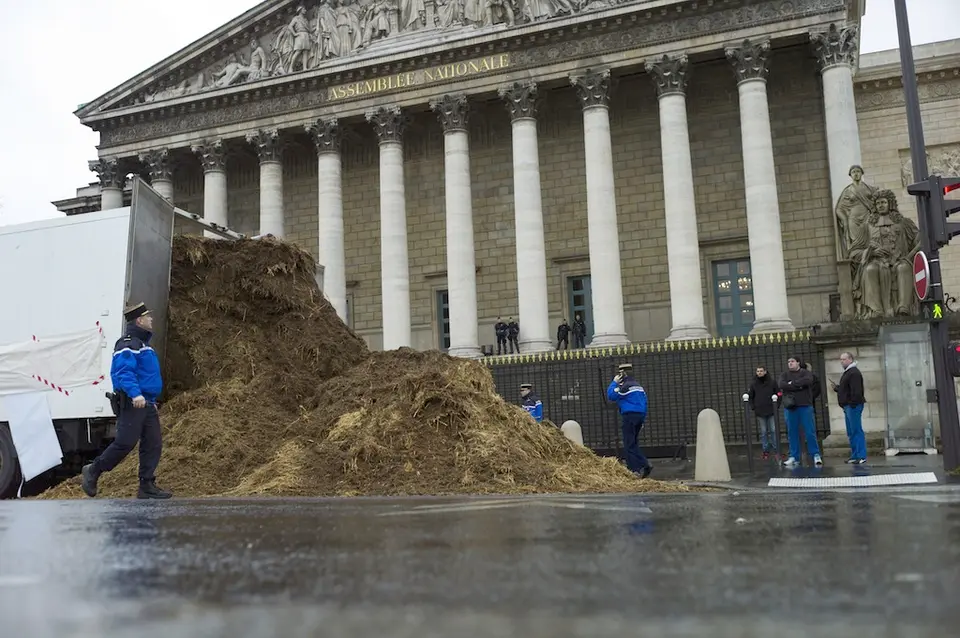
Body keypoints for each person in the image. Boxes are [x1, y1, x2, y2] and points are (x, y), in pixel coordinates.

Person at [81, 303, 172, 500]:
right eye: (148, 317)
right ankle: (94, 470)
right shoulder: (128, 344)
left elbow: (144, 376)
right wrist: (135, 394)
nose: (151, 320)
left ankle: (146, 485)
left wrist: (149, 399)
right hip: (133, 402)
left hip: (146, 403)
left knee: (153, 443)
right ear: (139, 320)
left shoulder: (143, 345)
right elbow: (124, 372)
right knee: (125, 443)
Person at [606, 363, 651, 478]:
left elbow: (611, 396)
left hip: (629, 416)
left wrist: (614, 382)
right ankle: (644, 464)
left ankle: (634, 469)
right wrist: (643, 420)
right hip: (640, 416)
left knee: (628, 444)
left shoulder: (625, 386)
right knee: (634, 443)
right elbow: (645, 403)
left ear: (622, 374)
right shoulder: (639, 386)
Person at [778, 355, 822, 468]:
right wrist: (798, 385)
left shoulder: (805, 373)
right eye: (789, 362)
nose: (790, 363)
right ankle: (794, 456)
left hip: (805, 406)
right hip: (791, 407)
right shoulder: (784, 374)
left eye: (792, 361)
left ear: (798, 363)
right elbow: (781, 384)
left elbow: (807, 381)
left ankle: (815, 454)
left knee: (810, 431)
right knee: (792, 432)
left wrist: (791, 384)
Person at [831, 351, 867, 464]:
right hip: (848, 406)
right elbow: (847, 389)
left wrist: (851, 403)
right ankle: (855, 455)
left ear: (850, 359)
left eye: (844, 359)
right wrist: (838, 388)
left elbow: (857, 391)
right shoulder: (848, 372)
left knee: (856, 431)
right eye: (841, 359)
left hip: (853, 406)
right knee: (851, 432)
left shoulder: (853, 372)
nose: (842, 362)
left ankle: (861, 455)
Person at [747, 365, 779, 460]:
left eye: (761, 371)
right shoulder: (754, 384)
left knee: (773, 430)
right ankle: (765, 450)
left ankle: (777, 450)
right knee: (764, 431)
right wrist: (753, 407)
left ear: (765, 372)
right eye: (758, 371)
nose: (759, 373)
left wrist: (777, 405)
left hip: (771, 410)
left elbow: (778, 393)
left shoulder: (772, 382)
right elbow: (750, 396)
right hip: (760, 410)